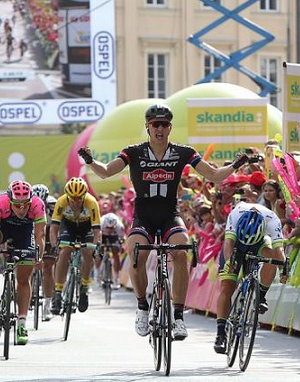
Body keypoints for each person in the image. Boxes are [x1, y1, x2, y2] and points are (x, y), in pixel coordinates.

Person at [78, 103, 248, 340]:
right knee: (136, 253)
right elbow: (106, 172)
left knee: (181, 252)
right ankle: (142, 307)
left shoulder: (183, 152)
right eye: (155, 124)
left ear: (170, 127)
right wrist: (90, 161)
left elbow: (213, 175)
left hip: (169, 214)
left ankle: (178, 316)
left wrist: (236, 165)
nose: (160, 128)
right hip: (144, 215)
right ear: (147, 127)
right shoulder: (134, 152)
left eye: (164, 124)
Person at [213, 202, 285, 354]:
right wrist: (229, 264)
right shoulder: (235, 214)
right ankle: (220, 333)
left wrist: (284, 270)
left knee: (271, 256)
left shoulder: (272, 220)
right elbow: (228, 243)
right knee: (227, 286)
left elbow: (280, 251)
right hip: (236, 244)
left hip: (259, 242)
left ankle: (261, 295)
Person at [0, 180, 46, 345]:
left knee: (24, 280)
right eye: (17, 205)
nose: (21, 209)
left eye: (25, 204)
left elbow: (40, 234)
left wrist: (39, 255)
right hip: (4, 229)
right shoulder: (0, 202)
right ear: (9, 200)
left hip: (26, 233)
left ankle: (21, 324)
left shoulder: (38, 205)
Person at [49, 177, 102, 315]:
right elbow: (54, 228)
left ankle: (84, 286)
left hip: (87, 227)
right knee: (64, 251)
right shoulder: (61, 202)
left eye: (79, 199)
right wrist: (55, 244)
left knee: (88, 252)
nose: (75, 201)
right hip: (68, 226)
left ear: (84, 196)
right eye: (72, 198)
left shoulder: (91, 202)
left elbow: (97, 231)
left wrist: (96, 246)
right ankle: (58, 292)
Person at [31, 183, 55, 321]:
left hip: (50, 233)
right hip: (34, 234)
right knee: (27, 264)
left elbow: (60, 225)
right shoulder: (28, 205)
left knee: (47, 267)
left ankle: (47, 303)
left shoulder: (54, 205)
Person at [98, 212, 125, 289]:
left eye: (112, 228)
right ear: (105, 225)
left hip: (114, 237)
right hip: (102, 235)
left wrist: (120, 246)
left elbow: (121, 240)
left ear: (115, 226)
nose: (110, 230)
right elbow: (97, 237)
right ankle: (99, 273)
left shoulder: (120, 227)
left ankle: (116, 278)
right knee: (99, 251)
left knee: (116, 253)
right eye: (108, 228)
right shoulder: (101, 224)